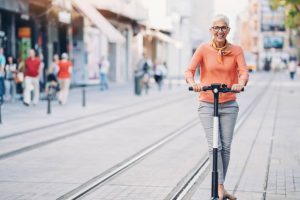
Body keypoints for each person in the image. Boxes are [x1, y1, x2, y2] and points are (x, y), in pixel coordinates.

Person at [184, 14, 249, 200]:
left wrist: (240, 83)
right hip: (206, 102)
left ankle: (220, 187)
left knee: (226, 147)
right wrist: (193, 82)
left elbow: (243, 72)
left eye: (223, 28)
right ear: (211, 30)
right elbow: (189, 70)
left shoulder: (236, 50)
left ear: (228, 30)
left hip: (229, 103)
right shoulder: (203, 49)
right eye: (216, 28)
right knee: (215, 146)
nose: (220, 31)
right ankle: (220, 188)